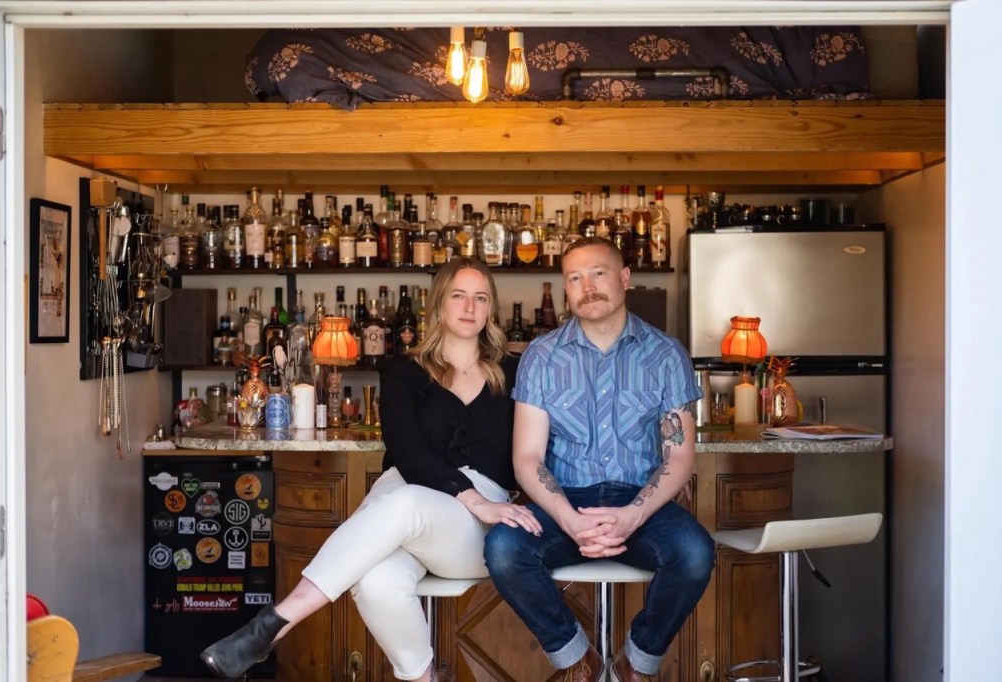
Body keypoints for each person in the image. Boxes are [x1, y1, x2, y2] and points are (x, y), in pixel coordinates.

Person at [201, 257, 540, 682]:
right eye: (458, 296)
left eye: (480, 298)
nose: (469, 307)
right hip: (407, 496)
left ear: (491, 308)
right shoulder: (401, 371)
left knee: (407, 501)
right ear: (438, 305)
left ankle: (274, 623)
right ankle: (424, 679)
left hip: (476, 523)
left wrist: (480, 502)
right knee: (376, 581)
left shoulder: (515, 372)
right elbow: (407, 450)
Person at [483, 237, 714, 682]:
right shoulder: (541, 356)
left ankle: (636, 663)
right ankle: (577, 659)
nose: (587, 287)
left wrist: (631, 516)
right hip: (564, 502)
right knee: (504, 549)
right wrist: (570, 520)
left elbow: (680, 456)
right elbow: (527, 458)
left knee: (694, 552)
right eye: (574, 278)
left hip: (641, 502)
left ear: (625, 278)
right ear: (565, 289)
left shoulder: (666, 355)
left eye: (599, 273)